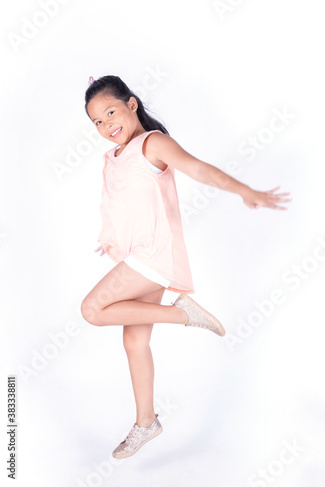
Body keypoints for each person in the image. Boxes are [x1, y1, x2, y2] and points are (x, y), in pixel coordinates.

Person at [80, 75, 290, 458]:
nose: (106, 125)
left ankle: (182, 314)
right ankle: (147, 423)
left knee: (92, 310)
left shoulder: (152, 143)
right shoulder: (113, 156)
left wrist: (246, 190)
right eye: (96, 122)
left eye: (110, 112)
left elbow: (198, 169)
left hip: (153, 254)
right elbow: (125, 202)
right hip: (137, 254)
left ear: (131, 104)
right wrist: (110, 238)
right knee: (134, 341)